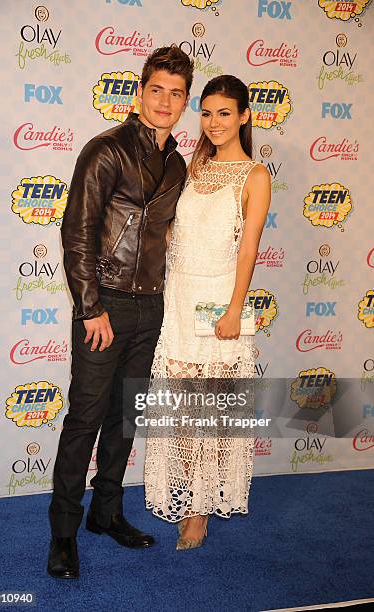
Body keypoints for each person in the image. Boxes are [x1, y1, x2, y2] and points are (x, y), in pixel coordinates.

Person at [47, 45, 194, 579]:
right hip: (102, 305)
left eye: (176, 94)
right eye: (156, 89)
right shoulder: (105, 150)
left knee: (124, 419)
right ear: (139, 92)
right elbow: (77, 230)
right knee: (85, 418)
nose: (165, 101)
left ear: (184, 103)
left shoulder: (177, 163)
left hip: (150, 308)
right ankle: (63, 532)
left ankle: (105, 513)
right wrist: (90, 309)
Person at [144, 75, 271, 549]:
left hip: (220, 299)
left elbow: (248, 248)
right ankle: (189, 498)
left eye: (224, 113)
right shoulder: (192, 165)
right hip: (178, 297)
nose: (214, 122)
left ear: (244, 116)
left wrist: (236, 308)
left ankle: (200, 511)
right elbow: (173, 230)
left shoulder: (255, 175)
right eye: (207, 112)